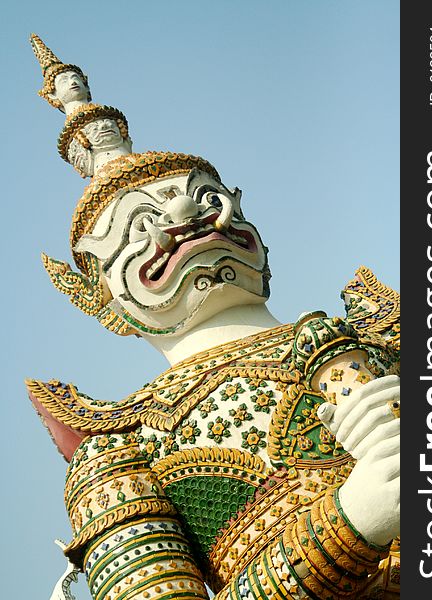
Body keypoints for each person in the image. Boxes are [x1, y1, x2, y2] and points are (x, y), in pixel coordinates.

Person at [28, 35, 400, 600]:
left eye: (205, 199)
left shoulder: (378, 336)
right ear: (97, 296)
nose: (186, 215)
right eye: (138, 226)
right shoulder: (124, 450)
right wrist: (354, 521)